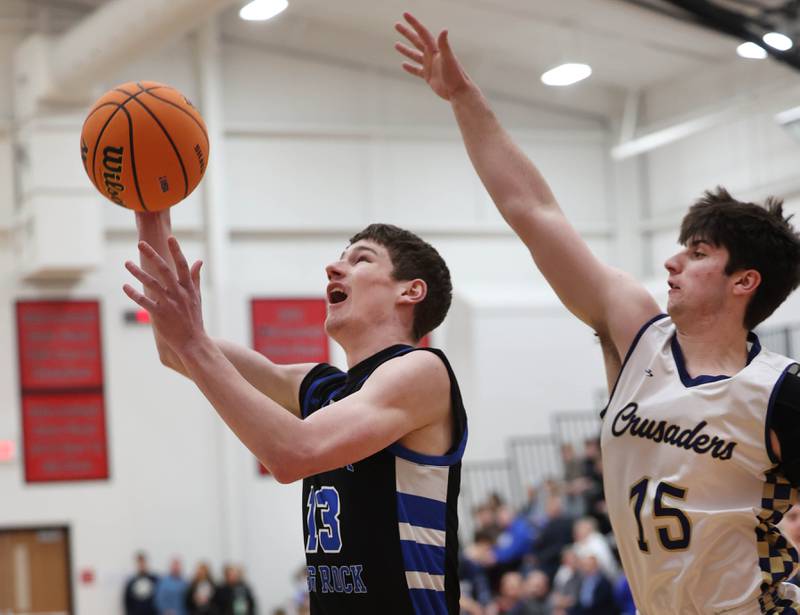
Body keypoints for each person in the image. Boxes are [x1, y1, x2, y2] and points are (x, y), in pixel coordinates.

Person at [395, 11, 800, 613]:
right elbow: (534, 212)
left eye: (696, 253)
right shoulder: (638, 336)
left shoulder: (780, 392)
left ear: (744, 280)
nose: (671, 264)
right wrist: (464, 99)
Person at [123, 211, 467, 614]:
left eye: (361, 260)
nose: (333, 268)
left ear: (410, 291)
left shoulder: (423, 371)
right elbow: (175, 349)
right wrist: (150, 208)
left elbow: (292, 454)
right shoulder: (322, 388)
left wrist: (193, 343)